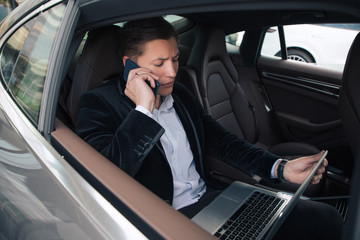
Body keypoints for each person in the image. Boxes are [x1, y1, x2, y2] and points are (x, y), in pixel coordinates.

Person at [76, 17, 343, 239]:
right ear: (129, 65)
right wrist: (143, 110)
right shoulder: (98, 104)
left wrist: (281, 167)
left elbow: (223, 141)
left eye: (176, 59)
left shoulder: (178, 95)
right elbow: (107, 176)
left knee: (324, 217)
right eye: (159, 64)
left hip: (212, 202)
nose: (171, 72)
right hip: (164, 221)